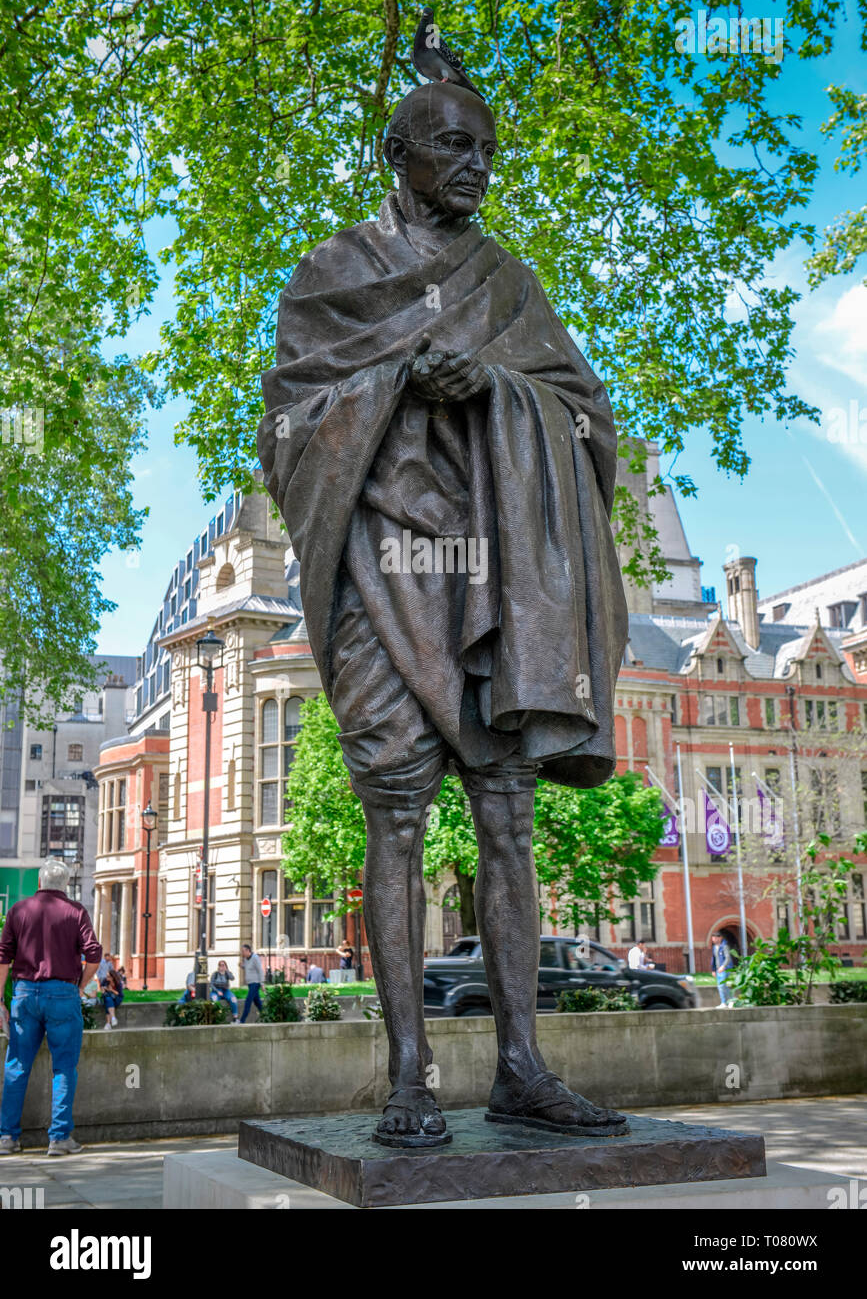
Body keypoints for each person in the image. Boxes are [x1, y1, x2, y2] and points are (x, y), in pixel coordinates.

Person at [258, 62, 628, 1146]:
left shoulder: (510, 285)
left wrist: (499, 388)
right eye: (454, 145)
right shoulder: (332, 275)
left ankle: (521, 1065)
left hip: (489, 579)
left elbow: (583, 415)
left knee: (507, 814)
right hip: (384, 571)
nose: (475, 166)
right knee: (397, 809)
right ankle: (409, 1076)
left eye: (486, 151)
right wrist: (392, 383)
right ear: (398, 156)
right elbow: (286, 431)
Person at [0, 858, 102, 1156]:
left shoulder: (19, 910)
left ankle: (7, 1137)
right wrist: (79, 987)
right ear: (66, 885)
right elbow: (93, 954)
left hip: (24, 994)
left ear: (40, 883)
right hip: (62, 993)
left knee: (17, 1066)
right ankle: (59, 1138)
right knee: (64, 1067)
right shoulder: (76, 911)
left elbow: (3, 958)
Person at [239, 944, 265, 1024]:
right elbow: (248, 968)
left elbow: (260, 970)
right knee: (258, 1003)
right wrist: (242, 966)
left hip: (255, 983)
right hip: (250, 984)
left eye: (243, 951)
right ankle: (267, 1016)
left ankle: (241, 1021)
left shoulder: (255, 958)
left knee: (248, 1001)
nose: (242, 953)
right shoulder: (246, 959)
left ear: (248, 951)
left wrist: (262, 984)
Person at [98, 954, 124, 1029]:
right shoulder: (105, 981)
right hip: (108, 997)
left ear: (113, 977)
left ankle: (108, 1023)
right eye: (107, 976)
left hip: (117, 998)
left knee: (108, 1002)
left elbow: (119, 994)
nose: (107, 977)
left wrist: (111, 990)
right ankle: (113, 1018)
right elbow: (102, 991)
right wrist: (103, 990)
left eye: (108, 976)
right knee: (108, 999)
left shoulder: (118, 983)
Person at [711, 932, 735, 1007]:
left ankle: (731, 1000)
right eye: (713, 938)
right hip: (718, 969)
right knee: (720, 986)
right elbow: (714, 959)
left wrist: (723, 966)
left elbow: (727, 958)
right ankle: (724, 1002)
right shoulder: (714, 947)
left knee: (721, 985)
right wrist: (713, 969)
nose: (714, 939)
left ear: (720, 938)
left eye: (715, 938)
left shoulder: (724, 946)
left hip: (725, 969)